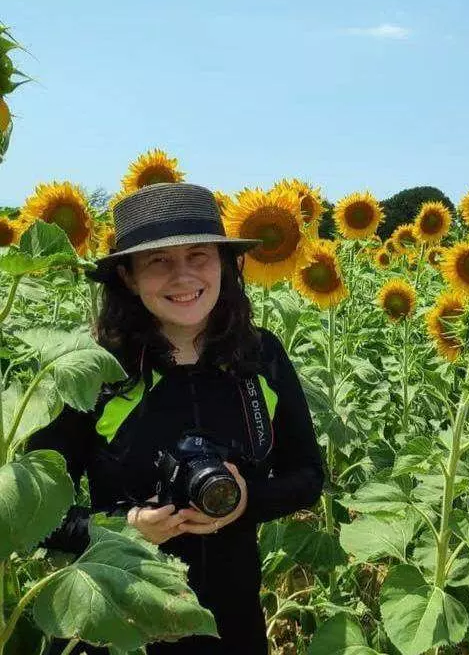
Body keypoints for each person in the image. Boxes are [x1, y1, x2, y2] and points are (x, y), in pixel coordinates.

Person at [27, 182, 325, 654]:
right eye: (158, 261)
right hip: (123, 623)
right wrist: (124, 525)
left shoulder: (259, 355)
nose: (183, 277)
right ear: (127, 276)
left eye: (198, 255)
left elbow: (308, 474)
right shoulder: (94, 370)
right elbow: (36, 513)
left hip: (233, 625)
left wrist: (249, 500)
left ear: (224, 264)